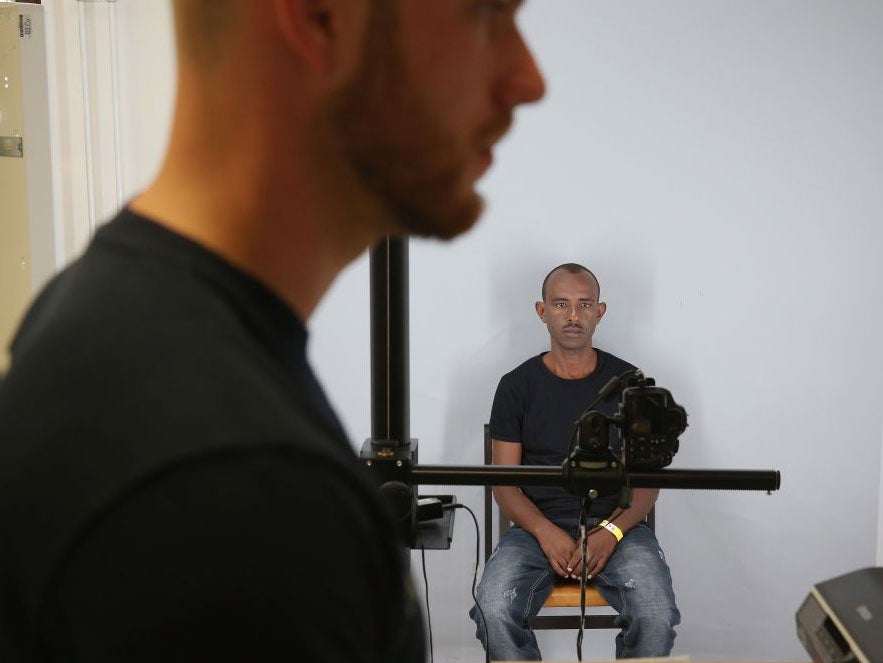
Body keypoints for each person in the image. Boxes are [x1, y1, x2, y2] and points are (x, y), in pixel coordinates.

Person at [0, 1, 545, 661]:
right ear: (319, 16)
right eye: (484, 14)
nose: (528, 78)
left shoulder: (106, 315)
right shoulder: (236, 493)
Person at [470, 263, 680, 660]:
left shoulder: (631, 384)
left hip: (618, 528)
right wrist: (546, 532)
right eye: (561, 304)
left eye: (584, 305)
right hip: (535, 528)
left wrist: (610, 533)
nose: (572, 315)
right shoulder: (516, 386)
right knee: (493, 609)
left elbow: (647, 482)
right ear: (541, 310)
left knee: (655, 615)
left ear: (600, 312)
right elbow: (504, 483)